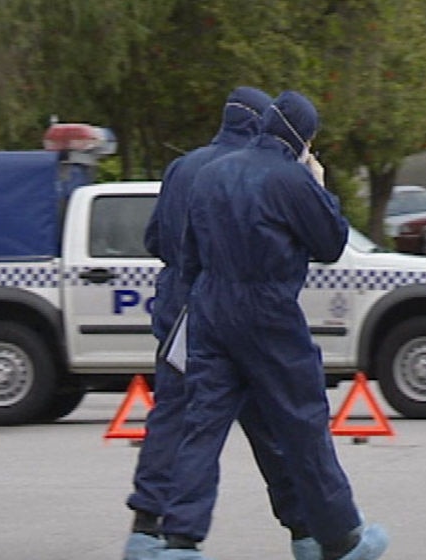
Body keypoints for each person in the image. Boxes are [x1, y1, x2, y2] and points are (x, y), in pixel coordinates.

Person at [158, 91, 389, 560]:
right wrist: (318, 184)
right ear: (303, 136)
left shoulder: (209, 174)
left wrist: (206, 301)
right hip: (268, 312)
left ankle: (179, 540)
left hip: (210, 309)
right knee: (303, 423)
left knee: (202, 427)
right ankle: (340, 537)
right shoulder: (290, 179)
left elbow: (188, 255)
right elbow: (329, 243)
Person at [124, 86, 322, 560]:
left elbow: (156, 238)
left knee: (177, 425)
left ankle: (148, 531)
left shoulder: (183, 167)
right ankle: (306, 532)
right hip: (239, 318)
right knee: (273, 431)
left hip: (179, 319)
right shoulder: (261, 174)